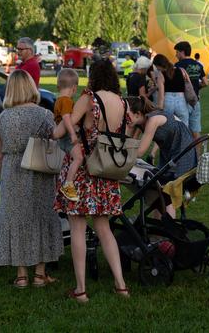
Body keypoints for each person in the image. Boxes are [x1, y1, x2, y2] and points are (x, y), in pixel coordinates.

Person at [54, 59, 130, 302]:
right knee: (104, 228)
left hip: (83, 170)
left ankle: (81, 289)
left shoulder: (89, 98)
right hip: (105, 169)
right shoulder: (122, 102)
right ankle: (121, 285)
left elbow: (66, 128)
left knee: (77, 227)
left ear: (93, 76)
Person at [0, 70, 63, 288]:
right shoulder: (44, 115)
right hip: (40, 170)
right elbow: (56, 144)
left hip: (13, 172)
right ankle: (40, 274)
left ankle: (21, 275)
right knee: (40, 217)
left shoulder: (2, 118)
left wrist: (4, 176)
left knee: (16, 220)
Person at [126, 97, 199, 217]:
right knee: (158, 192)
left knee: (165, 194)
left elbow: (139, 152)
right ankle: (159, 229)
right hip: (171, 155)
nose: (125, 119)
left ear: (138, 113)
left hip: (183, 155)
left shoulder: (152, 120)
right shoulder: (140, 121)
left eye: (126, 115)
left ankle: (167, 230)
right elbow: (127, 142)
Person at [52, 68, 83, 202]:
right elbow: (66, 118)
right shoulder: (66, 101)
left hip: (63, 137)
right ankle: (68, 184)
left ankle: (67, 183)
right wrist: (72, 133)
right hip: (66, 136)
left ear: (59, 86)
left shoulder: (59, 100)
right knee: (78, 158)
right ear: (74, 88)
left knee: (74, 159)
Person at [174, 40, 206, 141]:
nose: (176, 55)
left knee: (182, 131)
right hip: (195, 100)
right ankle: (198, 156)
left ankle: (184, 156)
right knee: (196, 132)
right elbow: (205, 82)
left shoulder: (178, 66)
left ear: (182, 52)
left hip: (183, 101)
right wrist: (196, 87)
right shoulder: (198, 65)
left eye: (177, 52)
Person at [154, 54, 188, 122]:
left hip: (168, 100)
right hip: (181, 99)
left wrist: (159, 107)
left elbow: (161, 95)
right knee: (184, 126)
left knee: (168, 125)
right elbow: (188, 84)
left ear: (158, 65)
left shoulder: (161, 74)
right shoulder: (181, 70)